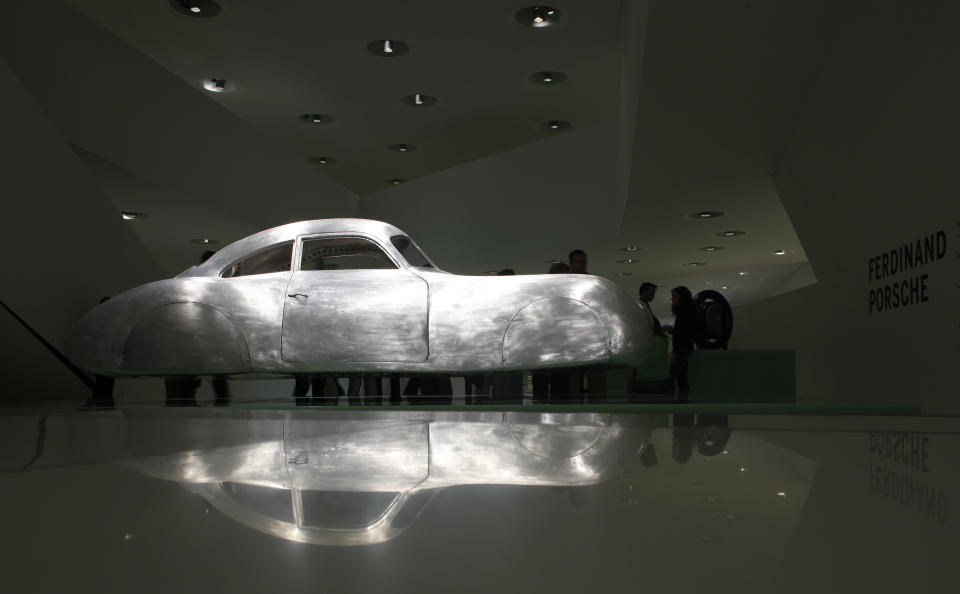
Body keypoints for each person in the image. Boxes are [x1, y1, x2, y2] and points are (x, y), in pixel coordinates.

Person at [667, 286, 696, 399]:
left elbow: (684, 331)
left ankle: (674, 400)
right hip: (684, 347)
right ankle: (683, 403)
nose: (672, 299)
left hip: (682, 348)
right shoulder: (688, 311)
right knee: (681, 376)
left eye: (674, 296)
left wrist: (673, 330)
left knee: (674, 374)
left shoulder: (685, 312)